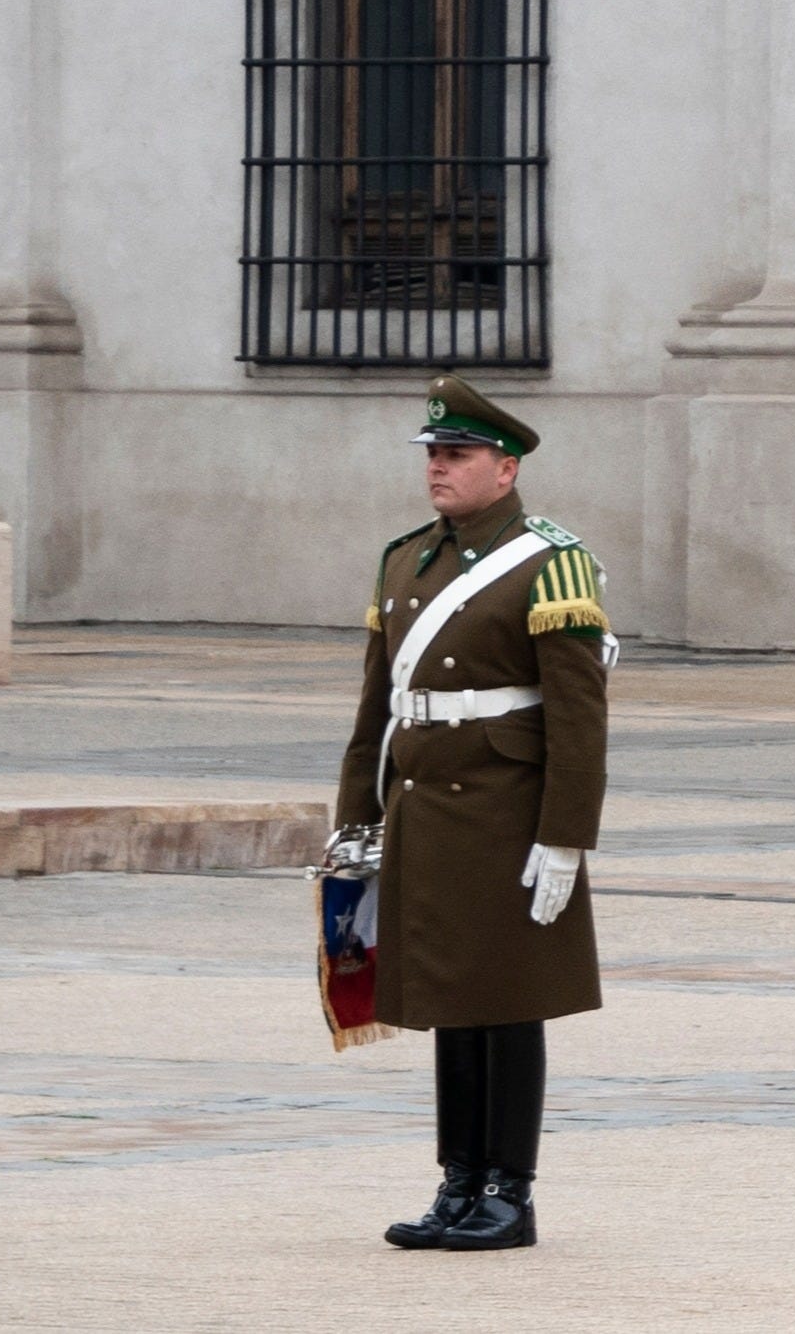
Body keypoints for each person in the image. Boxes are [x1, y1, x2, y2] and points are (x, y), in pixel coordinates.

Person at [336, 374, 611, 1252]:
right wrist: (356, 817)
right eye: (433, 456)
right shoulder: (405, 557)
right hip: (422, 804)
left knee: (507, 1000)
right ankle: (458, 1182)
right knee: (449, 997)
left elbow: (577, 715)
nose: (438, 471)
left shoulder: (551, 560)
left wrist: (565, 838)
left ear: (506, 467)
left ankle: (509, 1191)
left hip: (503, 807)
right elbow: (377, 703)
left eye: (457, 456)